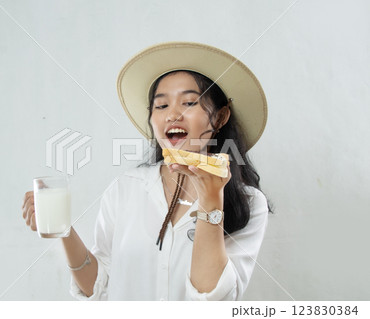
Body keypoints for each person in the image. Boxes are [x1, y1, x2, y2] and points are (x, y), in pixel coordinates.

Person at [22, 42, 270, 301]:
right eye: (161, 106)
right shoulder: (125, 189)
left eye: (188, 102)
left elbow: (212, 301)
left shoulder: (249, 203)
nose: (172, 114)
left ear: (219, 118)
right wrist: (63, 229)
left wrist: (210, 203)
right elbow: (99, 288)